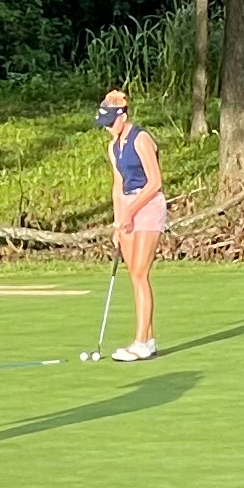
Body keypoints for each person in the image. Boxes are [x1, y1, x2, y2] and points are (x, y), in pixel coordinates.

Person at [101, 89, 167, 360]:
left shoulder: (141, 139)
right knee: (134, 275)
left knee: (140, 274)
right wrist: (119, 222)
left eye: (110, 121)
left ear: (123, 116)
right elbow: (118, 186)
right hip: (128, 208)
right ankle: (147, 340)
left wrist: (131, 211)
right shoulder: (113, 146)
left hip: (149, 205)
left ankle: (140, 343)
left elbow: (155, 182)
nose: (107, 128)